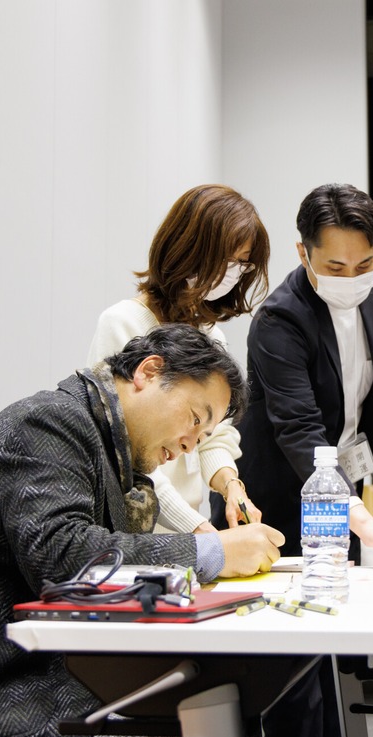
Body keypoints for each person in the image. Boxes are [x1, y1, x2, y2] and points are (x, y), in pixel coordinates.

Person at [0, 324, 284, 737]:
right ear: (148, 371)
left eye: (200, 438)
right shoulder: (49, 422)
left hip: (45, 677)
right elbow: (64, 558)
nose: (187, 445)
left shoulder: (107, 449)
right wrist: (213, 552)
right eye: (194, 420)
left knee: (223, 715)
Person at [230, 183, 373, 737]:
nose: (353, 276)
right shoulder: (278, 322)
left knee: (336, 659)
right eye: (335, 265)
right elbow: (299, 432)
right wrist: (359, 519)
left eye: (364, 262)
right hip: (282, 503)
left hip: (344, 494)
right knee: (292, 679)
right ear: (303, 253)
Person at [88, 184, 269, 535]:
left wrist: (231, 486)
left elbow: (214, 435)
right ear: (189, 246)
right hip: (135, 534)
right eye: (228, 260)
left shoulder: (210, 335)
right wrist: (201, 533)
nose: (234, 273)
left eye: (242, 264)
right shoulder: (123, 324)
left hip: (186, 534)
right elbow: (128, 454)